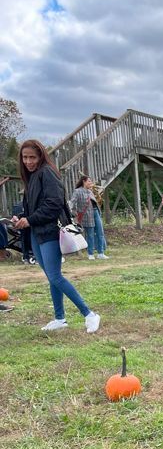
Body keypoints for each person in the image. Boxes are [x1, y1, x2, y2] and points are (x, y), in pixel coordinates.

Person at [11, 140, 101, 333]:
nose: (28, 161)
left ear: (41, 156)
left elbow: (53, 204)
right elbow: (32, 206)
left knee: (55, 276)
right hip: (37, 232)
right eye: (25, 157)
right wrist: (20, 217)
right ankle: (60, 319)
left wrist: (30, 220)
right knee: (52, 277)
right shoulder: (32, 176)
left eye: (32, 157)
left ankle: (89, 314)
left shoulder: (47, 173)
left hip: (50, 231)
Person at [70, 176, 109, 260]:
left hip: (96, 212)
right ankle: (90, 254)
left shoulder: (90, 191)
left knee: (100, 232)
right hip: (87, 215)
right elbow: (72, 203)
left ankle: (100, 253)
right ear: (84, 181)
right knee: (90, 235)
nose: (91, 183)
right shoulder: (77, 191)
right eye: (89, 181)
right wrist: (74, 214)